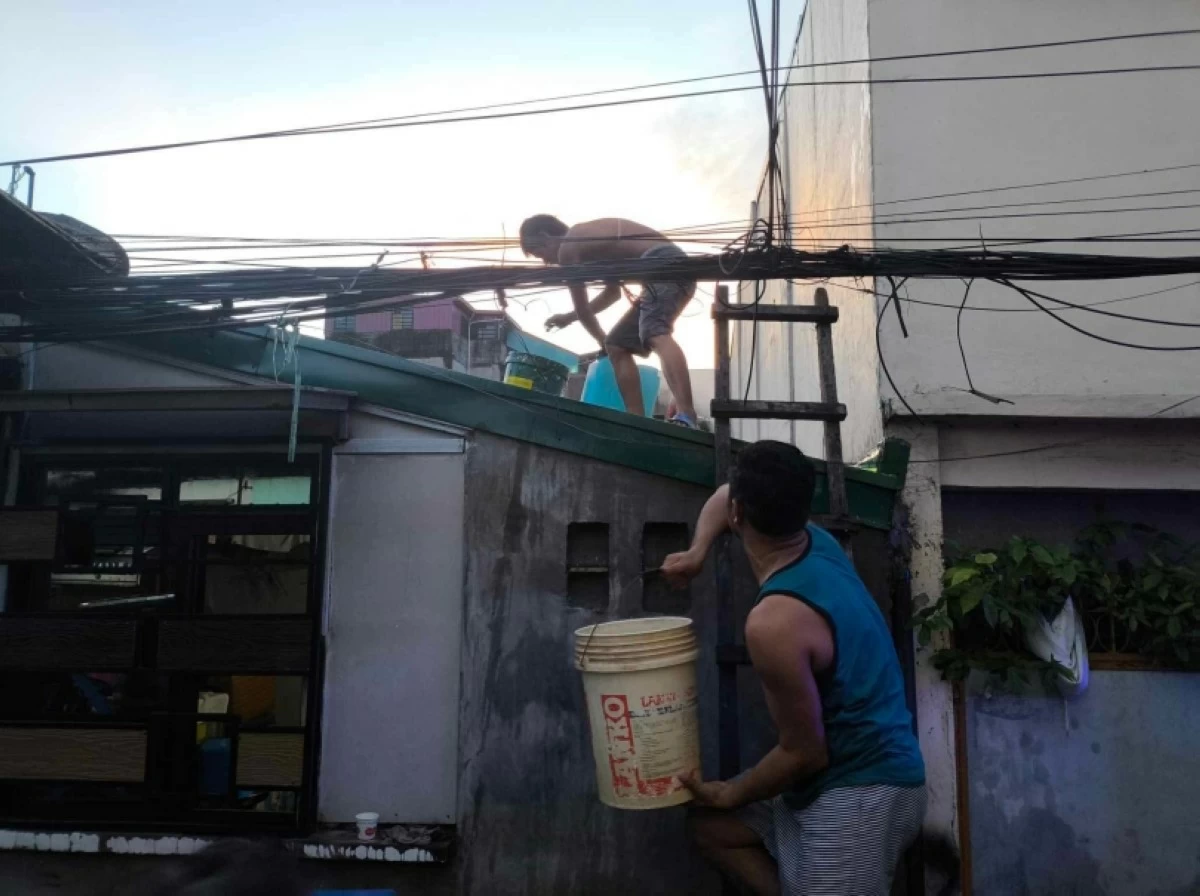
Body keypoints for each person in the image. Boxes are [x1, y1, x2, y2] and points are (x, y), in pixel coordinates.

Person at [661, 440, 926, 896]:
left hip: (863, 788)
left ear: (741, 517)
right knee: (713, 830)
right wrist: (697, 551)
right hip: (845, 776)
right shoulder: (816, 542)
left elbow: (805, 752)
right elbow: (726, 495)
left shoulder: (774, 623)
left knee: (724, 810)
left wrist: (732, 791)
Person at [519, 214, 698, 427]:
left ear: (545, 235)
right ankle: (637, 422)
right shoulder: (593, 247)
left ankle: (687, 414)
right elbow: (612, 294)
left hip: (665, 265)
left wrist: (598, 339)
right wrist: (571, 320)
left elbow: (583, 309)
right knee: (617, 345)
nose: (546, 262)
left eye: (540, 253)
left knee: (655, 332)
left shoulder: (569, 246)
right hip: (665, 270)